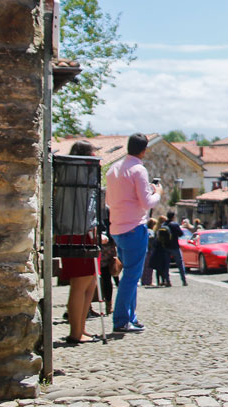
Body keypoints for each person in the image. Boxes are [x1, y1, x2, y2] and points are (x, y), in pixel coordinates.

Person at [107, 133, 163, 333]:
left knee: (128, 275)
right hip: (133, 227)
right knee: (132, 276)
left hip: (117, 227)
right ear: (143, 150)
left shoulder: (113, 169)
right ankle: (122, 320)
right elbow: (146, 203)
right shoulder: (138, 170)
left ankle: (130, 316)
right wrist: (157, 193)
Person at [57, 140, 101, 343]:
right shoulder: (79, 173)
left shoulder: (78, 172)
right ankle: (75, 332)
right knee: (80, 283)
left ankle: (80, 328)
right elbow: (85, 203)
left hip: (80, 230)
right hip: (79, 231)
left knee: (89, 283)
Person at [166, 212, 187, 285]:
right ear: (173, 217)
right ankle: (184, 280)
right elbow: (181, 234)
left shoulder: (164, 225)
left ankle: (167, 281)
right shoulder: (174, 225)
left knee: (166, 265)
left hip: (165, 247)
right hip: (175, 246)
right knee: (180, 263)